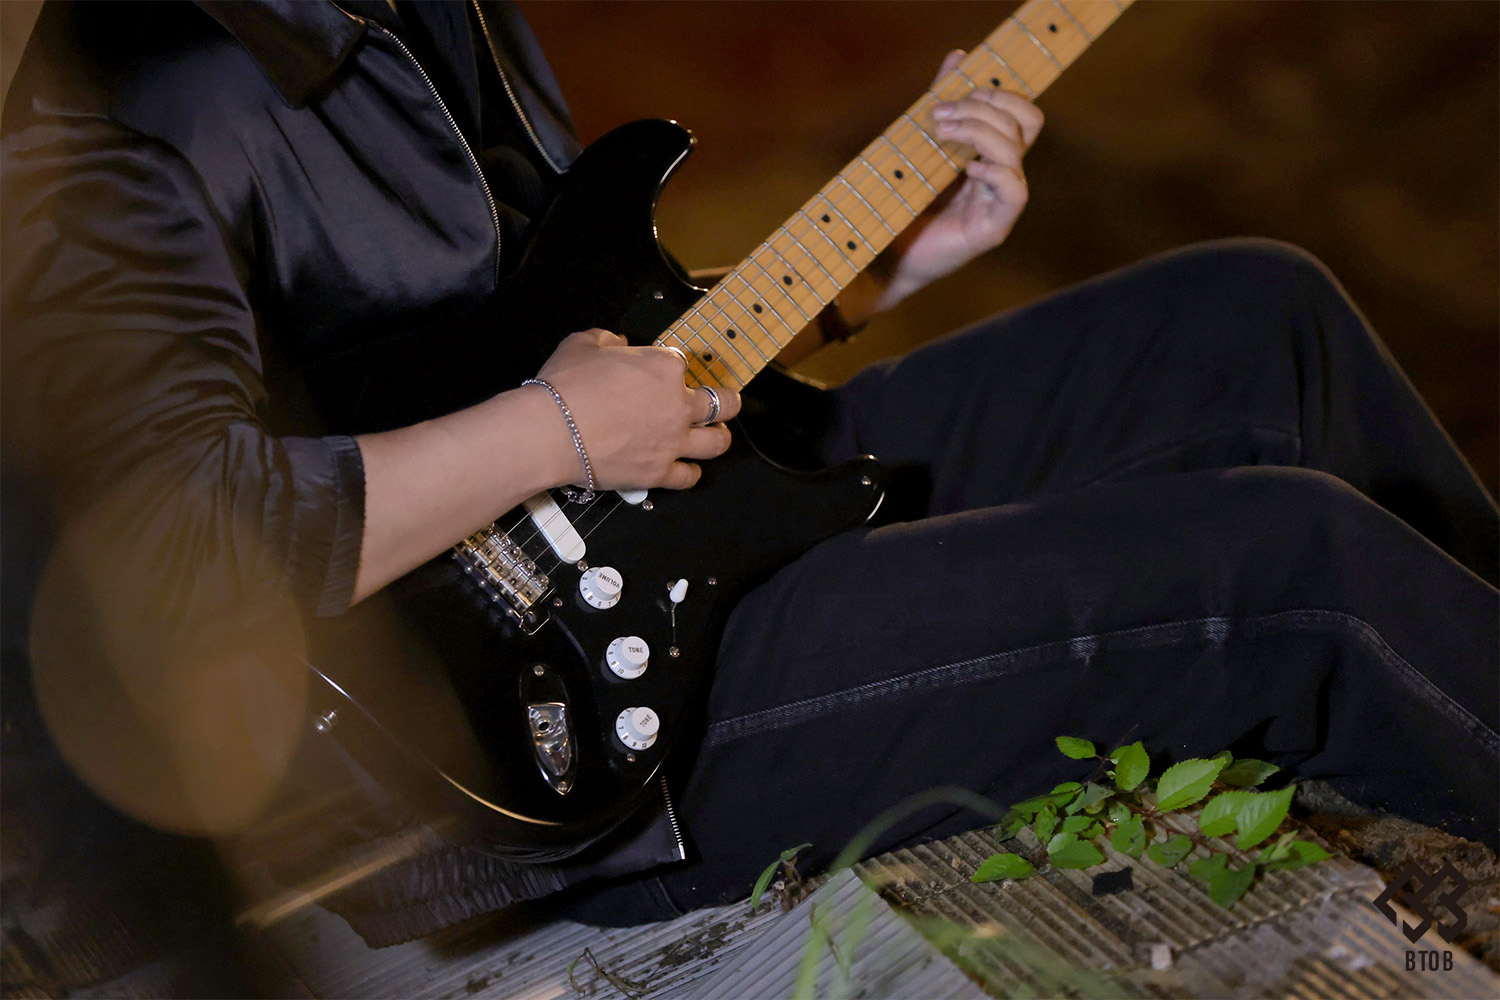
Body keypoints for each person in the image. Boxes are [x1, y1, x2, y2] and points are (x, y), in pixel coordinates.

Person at [3, 0, 1494, 947]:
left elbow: (541, 331)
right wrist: (560, 434)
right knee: (1294, 569)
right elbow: (167, 553)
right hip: (504, 759)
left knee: (1255, 318)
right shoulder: (118, 106)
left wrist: (870, 280)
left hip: (641, 525)